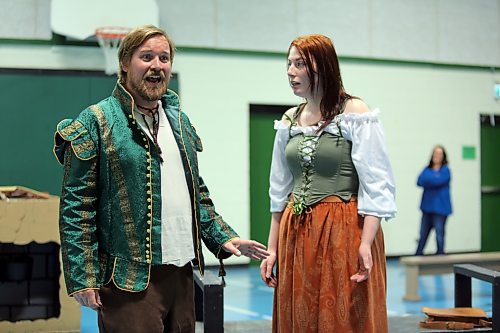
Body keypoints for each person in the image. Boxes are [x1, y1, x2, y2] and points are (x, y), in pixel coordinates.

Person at [53, 25, 269, 333]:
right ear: (125, 63)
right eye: (147, 57)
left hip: (181, 274)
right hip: (128, 280)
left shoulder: (179, 122)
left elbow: (197, 194)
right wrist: (82, 276)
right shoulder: (95, 121)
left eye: (164, 58)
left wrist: (224, 237)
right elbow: (77, 208)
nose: (157, 65)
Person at [259, 34, 397, 333]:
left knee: (342, 316)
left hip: (344, 230)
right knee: (302, 314)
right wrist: (273, 249)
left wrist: (366, 242)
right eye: (288, 64)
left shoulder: (354, 112)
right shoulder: (289, 120)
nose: (290, 71)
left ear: (321, 67)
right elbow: (280, 190)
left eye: (299, 64)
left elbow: (377, 183)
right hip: (296, 232)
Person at [415, 145, 452, 255]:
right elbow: (419, 181)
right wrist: (433, 178)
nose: (437, 156)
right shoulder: (427, 169)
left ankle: (440, 255)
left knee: (439, 235)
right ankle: (417, 256)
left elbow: (438, 181)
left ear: (443, 156)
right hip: (427, 208)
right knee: (423, 234)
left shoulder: (446, 170)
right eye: (435, 153)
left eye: (440, 154)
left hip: (441, 209)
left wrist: (430, 180)